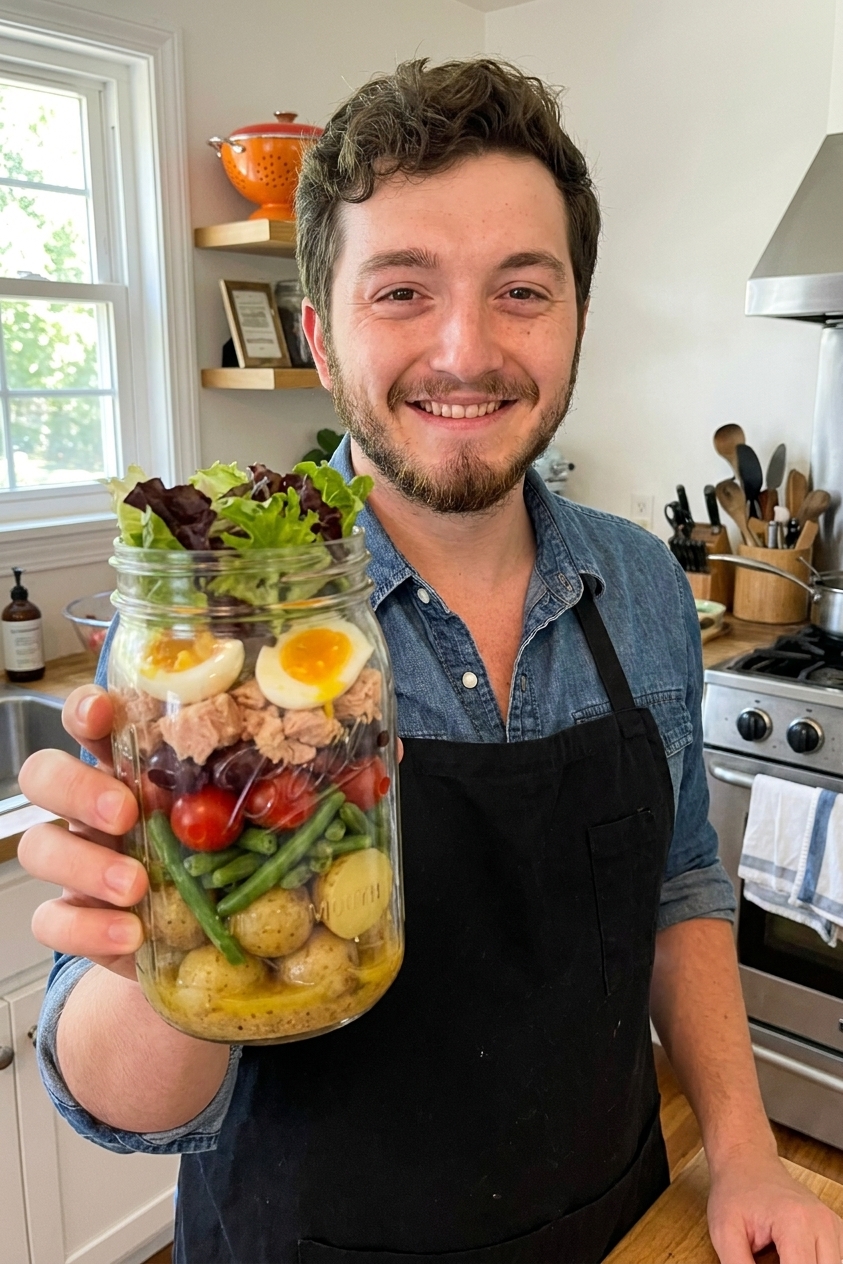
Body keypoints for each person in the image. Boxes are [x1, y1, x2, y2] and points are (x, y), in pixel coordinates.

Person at [18, 59, 843, 1264]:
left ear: (574, 320)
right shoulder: (218, 640)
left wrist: (750, 1146)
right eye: (402, 289)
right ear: (319, 331)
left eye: (523, 288)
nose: (467, 350)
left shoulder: (647, 586)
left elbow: (680, 886)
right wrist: (160, 915)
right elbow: (118, 1105)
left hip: (615, 1223)